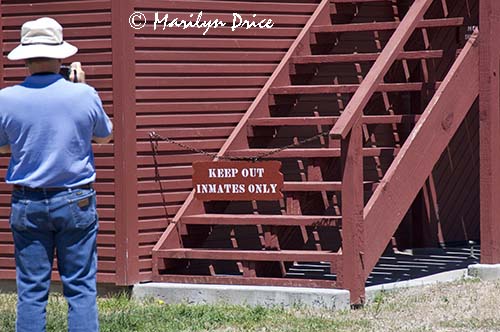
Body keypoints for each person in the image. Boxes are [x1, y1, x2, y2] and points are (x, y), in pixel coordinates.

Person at [0, 17, 113, 332]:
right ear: (61, 55)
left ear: (25, 57)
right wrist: (80, 88)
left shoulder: (5, 99)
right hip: (76, 199)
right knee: (80, 286)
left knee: (32, 290)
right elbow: (104, 137)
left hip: (28, 200)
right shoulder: (84, 94)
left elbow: (3, 148)